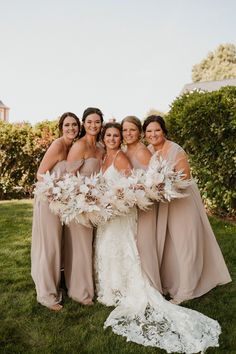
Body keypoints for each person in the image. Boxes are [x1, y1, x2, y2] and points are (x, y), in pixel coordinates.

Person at [94, 122, 221, 353]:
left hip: (169, 201)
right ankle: (124, 286)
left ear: (162, 132)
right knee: (148, 246)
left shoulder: (156, 150)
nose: (125, 135)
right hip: (138, 207)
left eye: (155, 131)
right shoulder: (142, 151)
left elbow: (149, 179)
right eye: (123, 131)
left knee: (175, 244)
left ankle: (182, 287)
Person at [143, 115, 232, 304]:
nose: (153, 134)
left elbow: (184, 177)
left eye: (157, 130)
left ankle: (187, 290)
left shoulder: (175, 150)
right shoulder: (149, 151)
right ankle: (173, 281)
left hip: (182, 199)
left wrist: (163, 183)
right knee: (169, 244)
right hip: (164, 201)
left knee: (185, 243)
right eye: (149, 131)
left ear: (164, 131)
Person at [31, 112, 80, 311]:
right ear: (61, 127)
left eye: (74, 125)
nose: (71, 128)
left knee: (60, 243)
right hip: (49, 199)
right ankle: (47, 295)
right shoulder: (58, 145)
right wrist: (56, 191)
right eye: (67, 125)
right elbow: (41, 174)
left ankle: (58, 281)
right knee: (50, 245)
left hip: (63, 201)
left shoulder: (73, 147)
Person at [64, 107, 104, 305]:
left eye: (97, 122)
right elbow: (68, 178)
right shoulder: (79, 146)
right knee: (81, 247)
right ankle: (81, 292)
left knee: (92, 246)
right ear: (84, 123)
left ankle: (92, 285)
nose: (93, 125)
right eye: (89, 122)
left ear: (101, 124)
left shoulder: (100, 147)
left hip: (97, 202)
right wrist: (82, 197)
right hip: (79, 203)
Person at [121, 116, 162, 293]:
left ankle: (152, 286)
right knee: (134, 246)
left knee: (145, 246)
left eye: (132, 129)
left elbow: (153, 181)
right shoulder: (124, 150)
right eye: (124, 130)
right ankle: (135, 284)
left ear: (139, 132)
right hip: (132, 206)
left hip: (145, 206)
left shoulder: (142, 151)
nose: (128, 133)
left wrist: (137, 190)